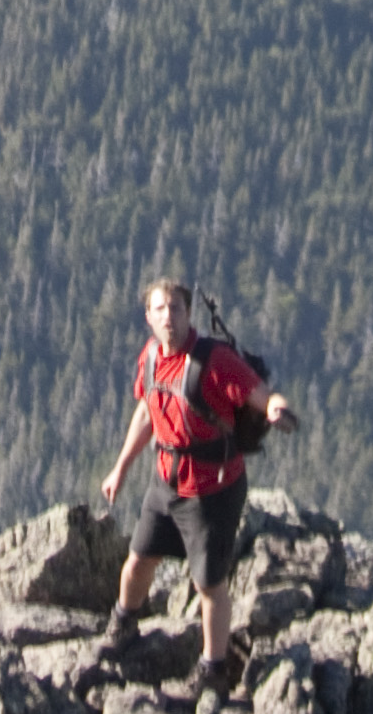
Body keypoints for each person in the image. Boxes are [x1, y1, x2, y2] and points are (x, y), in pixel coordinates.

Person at [100, 271, 297, 692]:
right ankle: (122, 625)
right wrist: (121, 469)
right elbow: (146, 413)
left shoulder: (213, 362)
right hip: (166, 484)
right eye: (159, 309)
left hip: (213, 491)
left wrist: (276, 410)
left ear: (188, 313)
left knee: (209, 583)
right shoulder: (150, 358)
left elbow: (261, 394)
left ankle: (213, 669)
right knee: (139, 559)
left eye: (175, 308)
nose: (168, 316)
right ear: (148, 316)